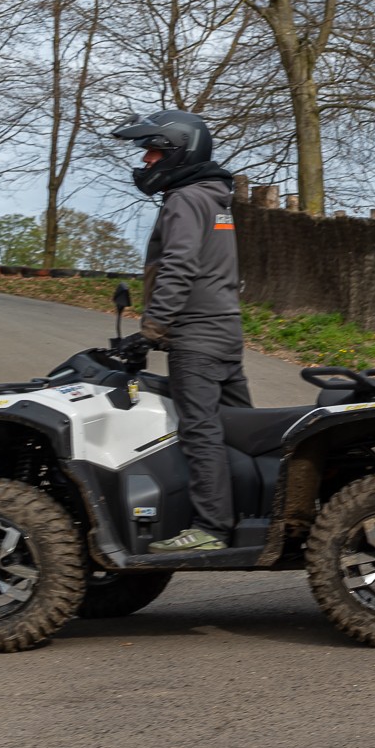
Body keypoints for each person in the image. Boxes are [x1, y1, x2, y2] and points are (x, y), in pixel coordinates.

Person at [109, 109, 247, 553]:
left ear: (179, 153)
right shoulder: (214, 197)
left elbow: (179, 266)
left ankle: (212, 527)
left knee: (200, 431)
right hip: (225, 331)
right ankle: (254, 518)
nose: (146, 160)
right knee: (240, 432)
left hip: (198, 339)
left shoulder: (185, 199)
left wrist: (152, 330)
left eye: (153, 150)